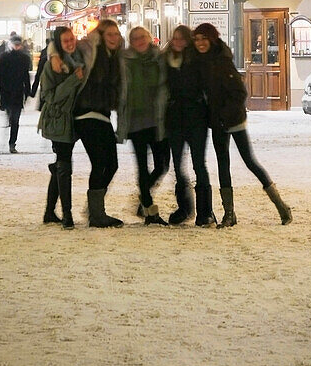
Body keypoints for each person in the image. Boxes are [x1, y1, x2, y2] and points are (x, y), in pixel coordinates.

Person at [192, 22, 292, 228]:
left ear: (212, 39)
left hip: (233, 119)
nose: (200, 43)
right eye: (197, 39)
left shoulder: (222, 60)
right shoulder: (200, 62)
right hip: (217, 122)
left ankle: (281, 205)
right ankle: (230, 213)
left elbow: (239, 93)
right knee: (223, 164)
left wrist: (225, 114)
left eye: (203, 38)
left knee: (249, 161)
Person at [49, 17, 124, 228]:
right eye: (109, 34)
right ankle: (96, 214)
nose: (113, 38)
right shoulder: (88, 47)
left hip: (103, 114)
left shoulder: (117, 53)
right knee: (100, 163)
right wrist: (53, 54)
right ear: (100, 34)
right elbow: (61, 44)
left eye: (116, 34)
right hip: (85, 112)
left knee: (112, 164)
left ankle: (94, 209)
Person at [161, 24, 215, 227]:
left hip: (195, 117)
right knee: (177, 165)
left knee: (199, 164)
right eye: (175, 39)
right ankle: (184, 207)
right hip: (174, 118)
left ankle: (205, 211)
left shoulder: (197, 61)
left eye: (181, 39)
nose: (178, 42)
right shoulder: (167, 61)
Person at [117, 26, 169, 225]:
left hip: (158, 119)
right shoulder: (124, 60)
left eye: (142, 37)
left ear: (149, 38)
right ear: (131, 41)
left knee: (163, 165)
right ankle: (149, 211)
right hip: (135, 121)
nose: (139, 41)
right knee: (142, 166)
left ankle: (143, 200)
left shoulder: (159, 58)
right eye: (135, 38)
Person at [39, 25, 86, 229]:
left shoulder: (79, 58)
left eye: (72, 39)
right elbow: (49, 97)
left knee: (61, 165)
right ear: (58, 43)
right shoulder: (52, 66)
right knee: (65, 166)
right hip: (58, 120)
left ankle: (50, 211)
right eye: (65, 40)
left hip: (75, 119)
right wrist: (73, 81)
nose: (70, 43)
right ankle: (67, 215)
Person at [0, 34, 32, 153]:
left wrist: (27, 92)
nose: (16, 46)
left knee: (15, 119)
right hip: (8, 92)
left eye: (18, 44)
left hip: (15, 92)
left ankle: (12, 143)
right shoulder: (5, 57)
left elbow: (26, 76)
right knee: (12, 117)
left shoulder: (22, 58)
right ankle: (12, 140)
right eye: (15, 44)